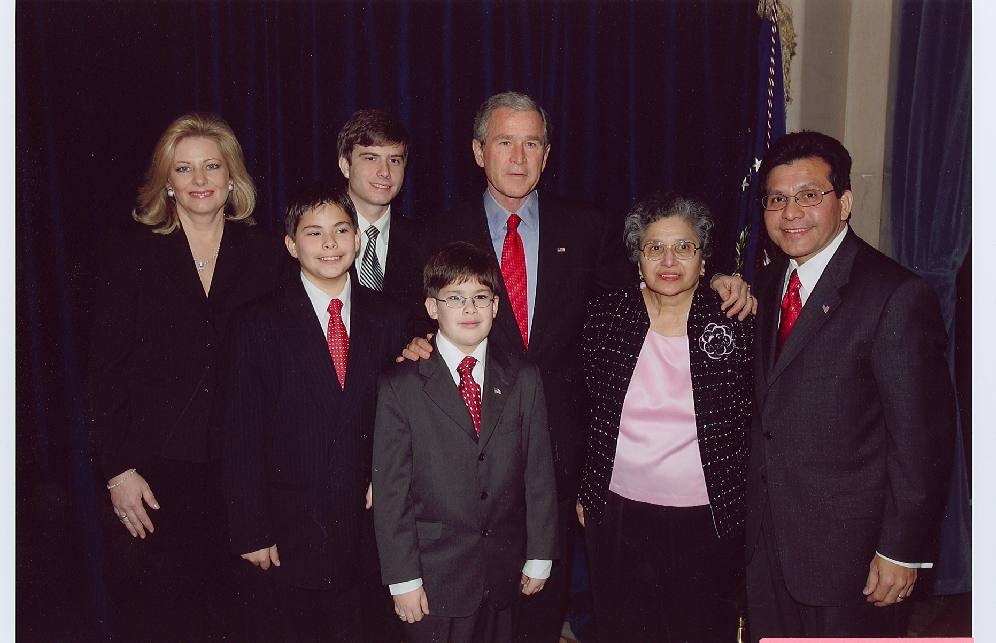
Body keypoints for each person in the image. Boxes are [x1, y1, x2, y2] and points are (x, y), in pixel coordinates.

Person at [405, 90, 757, 641]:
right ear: (478, 151)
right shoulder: (433, 235)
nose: (519, 158)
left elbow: (658, 281)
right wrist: (412, 343)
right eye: (504, 142)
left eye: (532, 143)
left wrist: (716, 281)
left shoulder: (588, 229)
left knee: (546, 603)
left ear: (547, 155)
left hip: (562, 453)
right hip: (466, 455)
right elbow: (410, 325)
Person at [86, 112, 289, 640]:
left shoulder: (268, 254)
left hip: (243, 471)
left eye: (211, 167)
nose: (199, 181)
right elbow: (104, 370)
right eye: (184, 169)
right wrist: (117, 471)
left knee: (242, 620)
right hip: (154, 478)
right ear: (167, 182)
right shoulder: (130, 253)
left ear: (231, 177)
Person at [745, 131, 955, 640]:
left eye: (809, 195)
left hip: (853, 560)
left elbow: (922, 439)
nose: (790, 211)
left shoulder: (894, 295)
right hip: (768, 544)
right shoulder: (771, 285)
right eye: (777, 198)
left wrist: (901, 549)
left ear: (845, 203)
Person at [222, 184, 411, 641]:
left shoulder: (390, 318)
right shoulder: (257, 323)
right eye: (313, 233)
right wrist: (251, 528)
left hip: (365, 526)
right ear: (291, 245)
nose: (329, 244)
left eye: (341, 230)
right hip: (291, 527)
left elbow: (399, 421)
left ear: (358, 238)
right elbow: (240, 435)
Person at [575, 191, 753, 642]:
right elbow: (585, 410)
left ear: (704, 259)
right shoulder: (606, 317)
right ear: (638, 259)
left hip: (708, 516)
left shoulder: (736, 319)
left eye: (684, 247)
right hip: (616, 514)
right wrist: (585, 488)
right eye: (654, 248)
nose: (669, 260)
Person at [373, 241, 559, 643]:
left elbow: (538, 474)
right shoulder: (400, 386)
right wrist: (403, 578)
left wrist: (540, 553)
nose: (470, 309)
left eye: (480, 297)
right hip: (432, 577)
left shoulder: (524, 378)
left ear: (496, 306)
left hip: (500, 573)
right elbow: (391, 492)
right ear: (432, 308)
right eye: (455, 298)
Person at [338, 108, 424, 304]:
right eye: (371, 158)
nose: (385, 172)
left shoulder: (424, 243)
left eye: (394, 160)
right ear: (345, 166)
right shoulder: (314, 240)